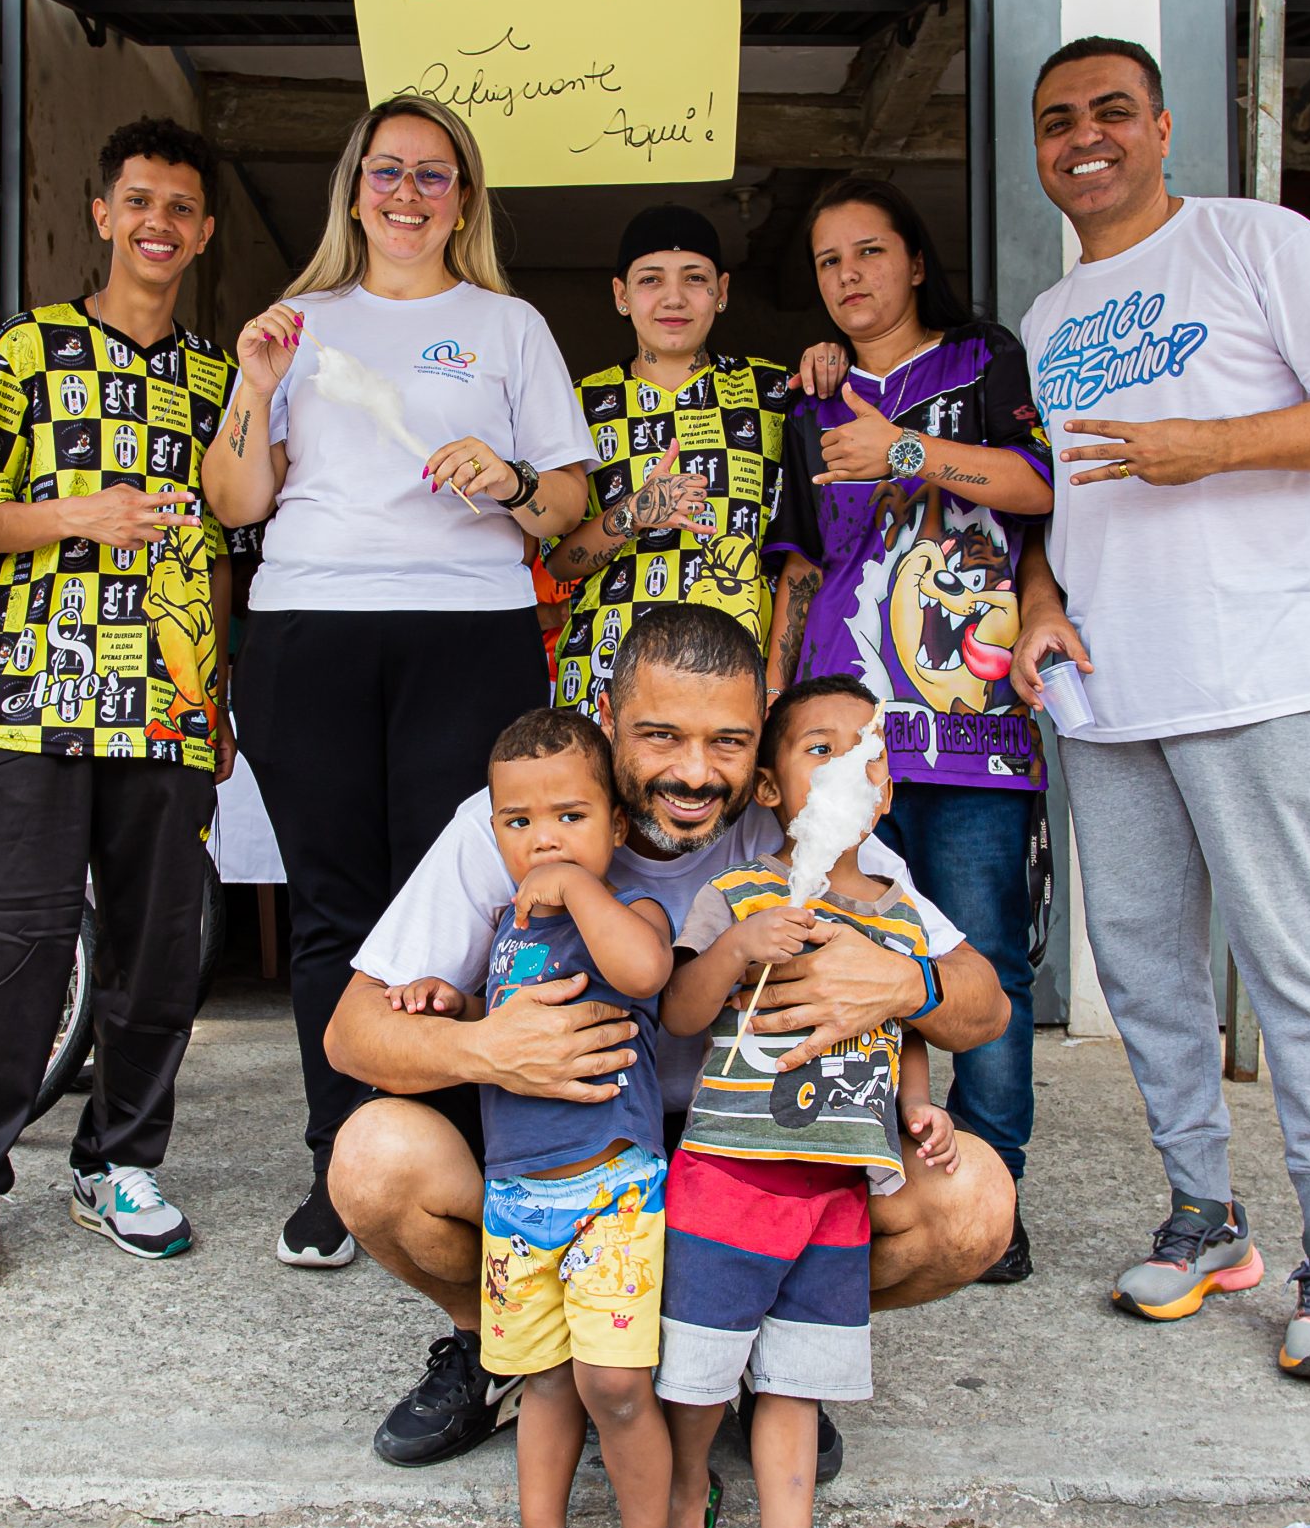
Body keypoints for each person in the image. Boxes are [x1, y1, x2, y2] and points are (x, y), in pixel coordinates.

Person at [324, 604, 1015, 1477]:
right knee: (373, 1159)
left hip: (743, 1149)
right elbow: (352, 1032)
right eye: (661, 736)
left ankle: (768, 1350)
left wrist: (906, 982)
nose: (694, 773)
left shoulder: (805, 817)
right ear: (609, 718)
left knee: (973, 1203)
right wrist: (488, 1049)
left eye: (728, 742)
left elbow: (985, 1006)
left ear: (761, 745)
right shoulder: (527, 812)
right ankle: (501, 1346)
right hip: (570, 1146)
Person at [1010, 38, 1310, 1383]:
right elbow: (1058, 501)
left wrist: (1217, 445)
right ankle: (1206, 1213)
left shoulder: (1256, 243)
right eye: (1058, 119)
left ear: (1162, 126)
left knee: (1295, 962)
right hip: (1110, 688)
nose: (1085, 136)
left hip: (1255, 670)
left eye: (1110, 111)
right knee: (1142, 969)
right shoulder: (1050, 318)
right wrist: (1037, 599)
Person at [200, 95, 597, 1270]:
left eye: (432, 173)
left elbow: (566, 507)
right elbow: (235, 501)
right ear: (355, 189)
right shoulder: (298, 325)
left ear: (463, 199)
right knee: (331, 908)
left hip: (467, 632)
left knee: (456, 906)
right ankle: (344, 1161)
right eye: (386, 171)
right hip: (309, 630)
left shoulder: (508, 326)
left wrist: (510, 479)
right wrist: (255, 385)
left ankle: (445, 1156)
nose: (407, 192)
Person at [0, 118, 236, 1293]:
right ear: (103, 214)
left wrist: (219, 695)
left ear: (203, 232)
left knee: (159, 951)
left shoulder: (219, 380)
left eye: (180, 207)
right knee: (12, 946)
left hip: (169, 705)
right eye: (138, 200)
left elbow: (222, 552)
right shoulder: (26, 349)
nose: (158, 223)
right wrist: (76, 515)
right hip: (34, 697)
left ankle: (119, 1163)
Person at [778, 177, 1055, 1284]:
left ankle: (992, 1189)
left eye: (870, 251)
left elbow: (1036, 486)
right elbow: (802, 567)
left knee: (983, 959)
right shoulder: (810, 399)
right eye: (829, 260)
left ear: (915, 260)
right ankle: (865, 1172)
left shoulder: (984, 363)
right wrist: (776, 713)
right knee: (848, 946)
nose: (850, 276)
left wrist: (904, 452)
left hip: (973, 728)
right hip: (849, 732)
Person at [657, 675, 961, 1528]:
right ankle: (682, 1497)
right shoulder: (740, 894)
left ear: (886, 787)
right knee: (697, 1376)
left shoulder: (902, 921)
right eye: (818, 749)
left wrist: (918, 1108)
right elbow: (680, 1013)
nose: (846, 767)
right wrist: (738, 949)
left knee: (795, 1382)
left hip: (836, 1195)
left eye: (866, 752)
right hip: (729, 1179)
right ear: (772, 789)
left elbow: (908, 1035)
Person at [390, 710, 681, 1528]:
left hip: (611, 1196)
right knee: (543, 1381)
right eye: (519, 823)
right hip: (519, 1204)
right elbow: (502, 1015)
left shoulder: (631, 914)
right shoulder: (506, 929)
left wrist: (577, 886)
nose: (544, 839)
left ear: (617, 826)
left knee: (617, 1383)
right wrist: (456, 1003)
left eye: (570, 817)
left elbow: (646, 971)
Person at [543, 206, 793, 719]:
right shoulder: (578, 403)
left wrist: (776, 688)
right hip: (608, 675)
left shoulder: (776, 393)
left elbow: (804, 553)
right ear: (621, 294)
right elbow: (558, 562)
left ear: (722, 291)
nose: (674, 297)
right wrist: (633, 514)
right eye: (651, 279)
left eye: (695, 278)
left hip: (736, 679)